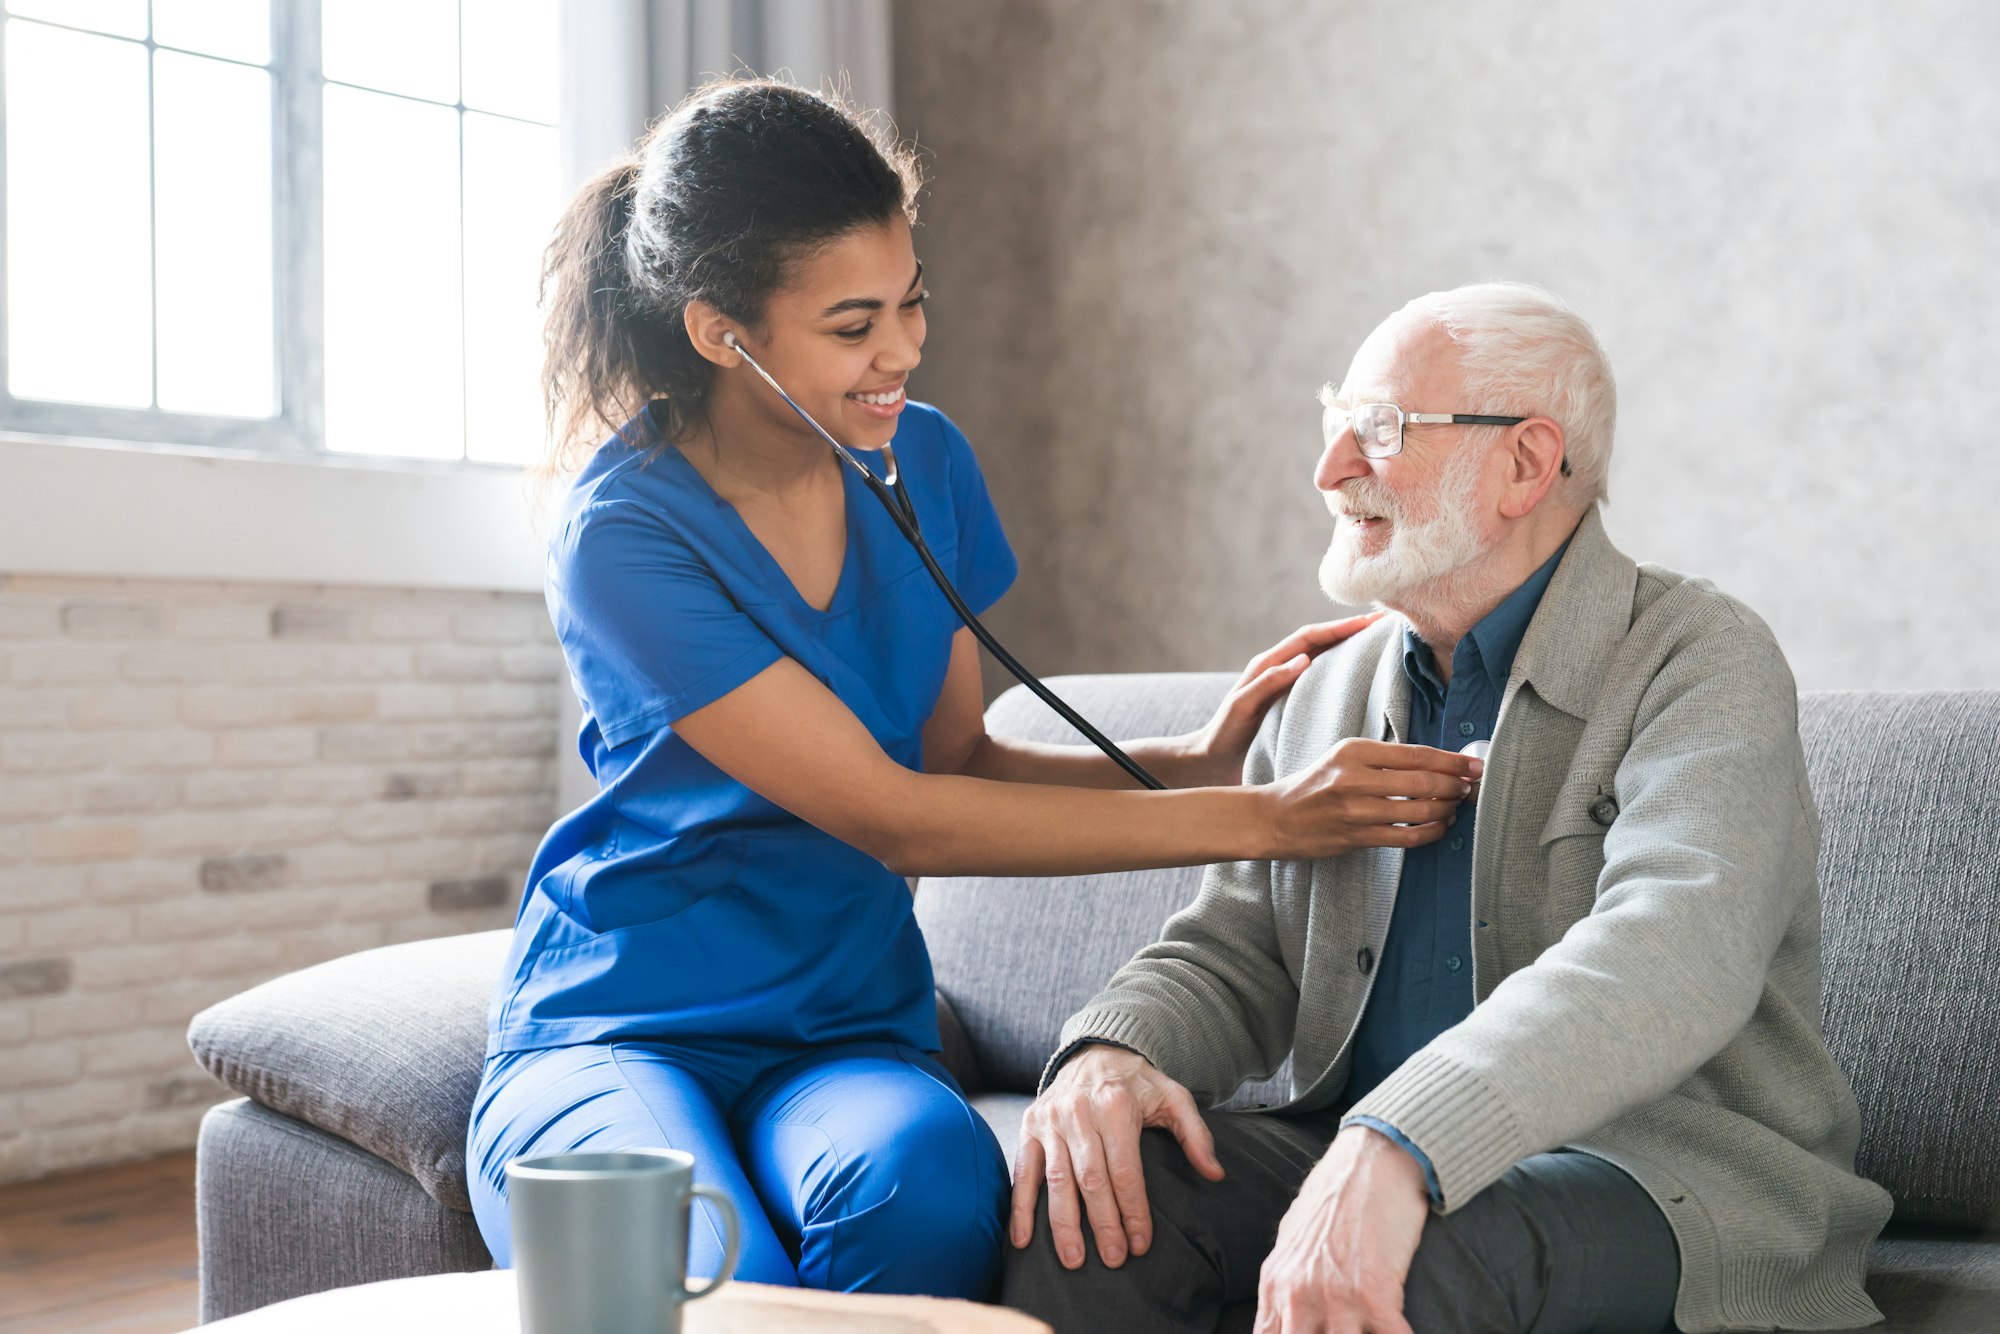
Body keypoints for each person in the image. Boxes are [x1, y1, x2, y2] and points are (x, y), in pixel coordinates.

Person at [465, 79, 1485, 1300]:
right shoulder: (621, 534)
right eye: (851, 326)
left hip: (843, 1029)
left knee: (932, 1197)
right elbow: (890, 813)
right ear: (719, 333)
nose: (899, 351)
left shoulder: (923, 459)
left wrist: (1198, 757)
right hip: (627, 1018)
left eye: (909, 305)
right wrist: (1269, 816)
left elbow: (954, 759)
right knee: (687, 1263)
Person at [1002, 282, 1893, 1333]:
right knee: (1098, 1202)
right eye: (1335, 425)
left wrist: (1402, 1138)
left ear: (1523, 462)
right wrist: (1115, 1051)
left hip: (1659, 1175)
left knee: (1430, 1253)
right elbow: (1233, 951)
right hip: (1367, 1146)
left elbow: (1671, 952)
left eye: (1375, 430)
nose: (1327, 470)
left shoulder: (1697, 658)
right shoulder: (1325, 685)